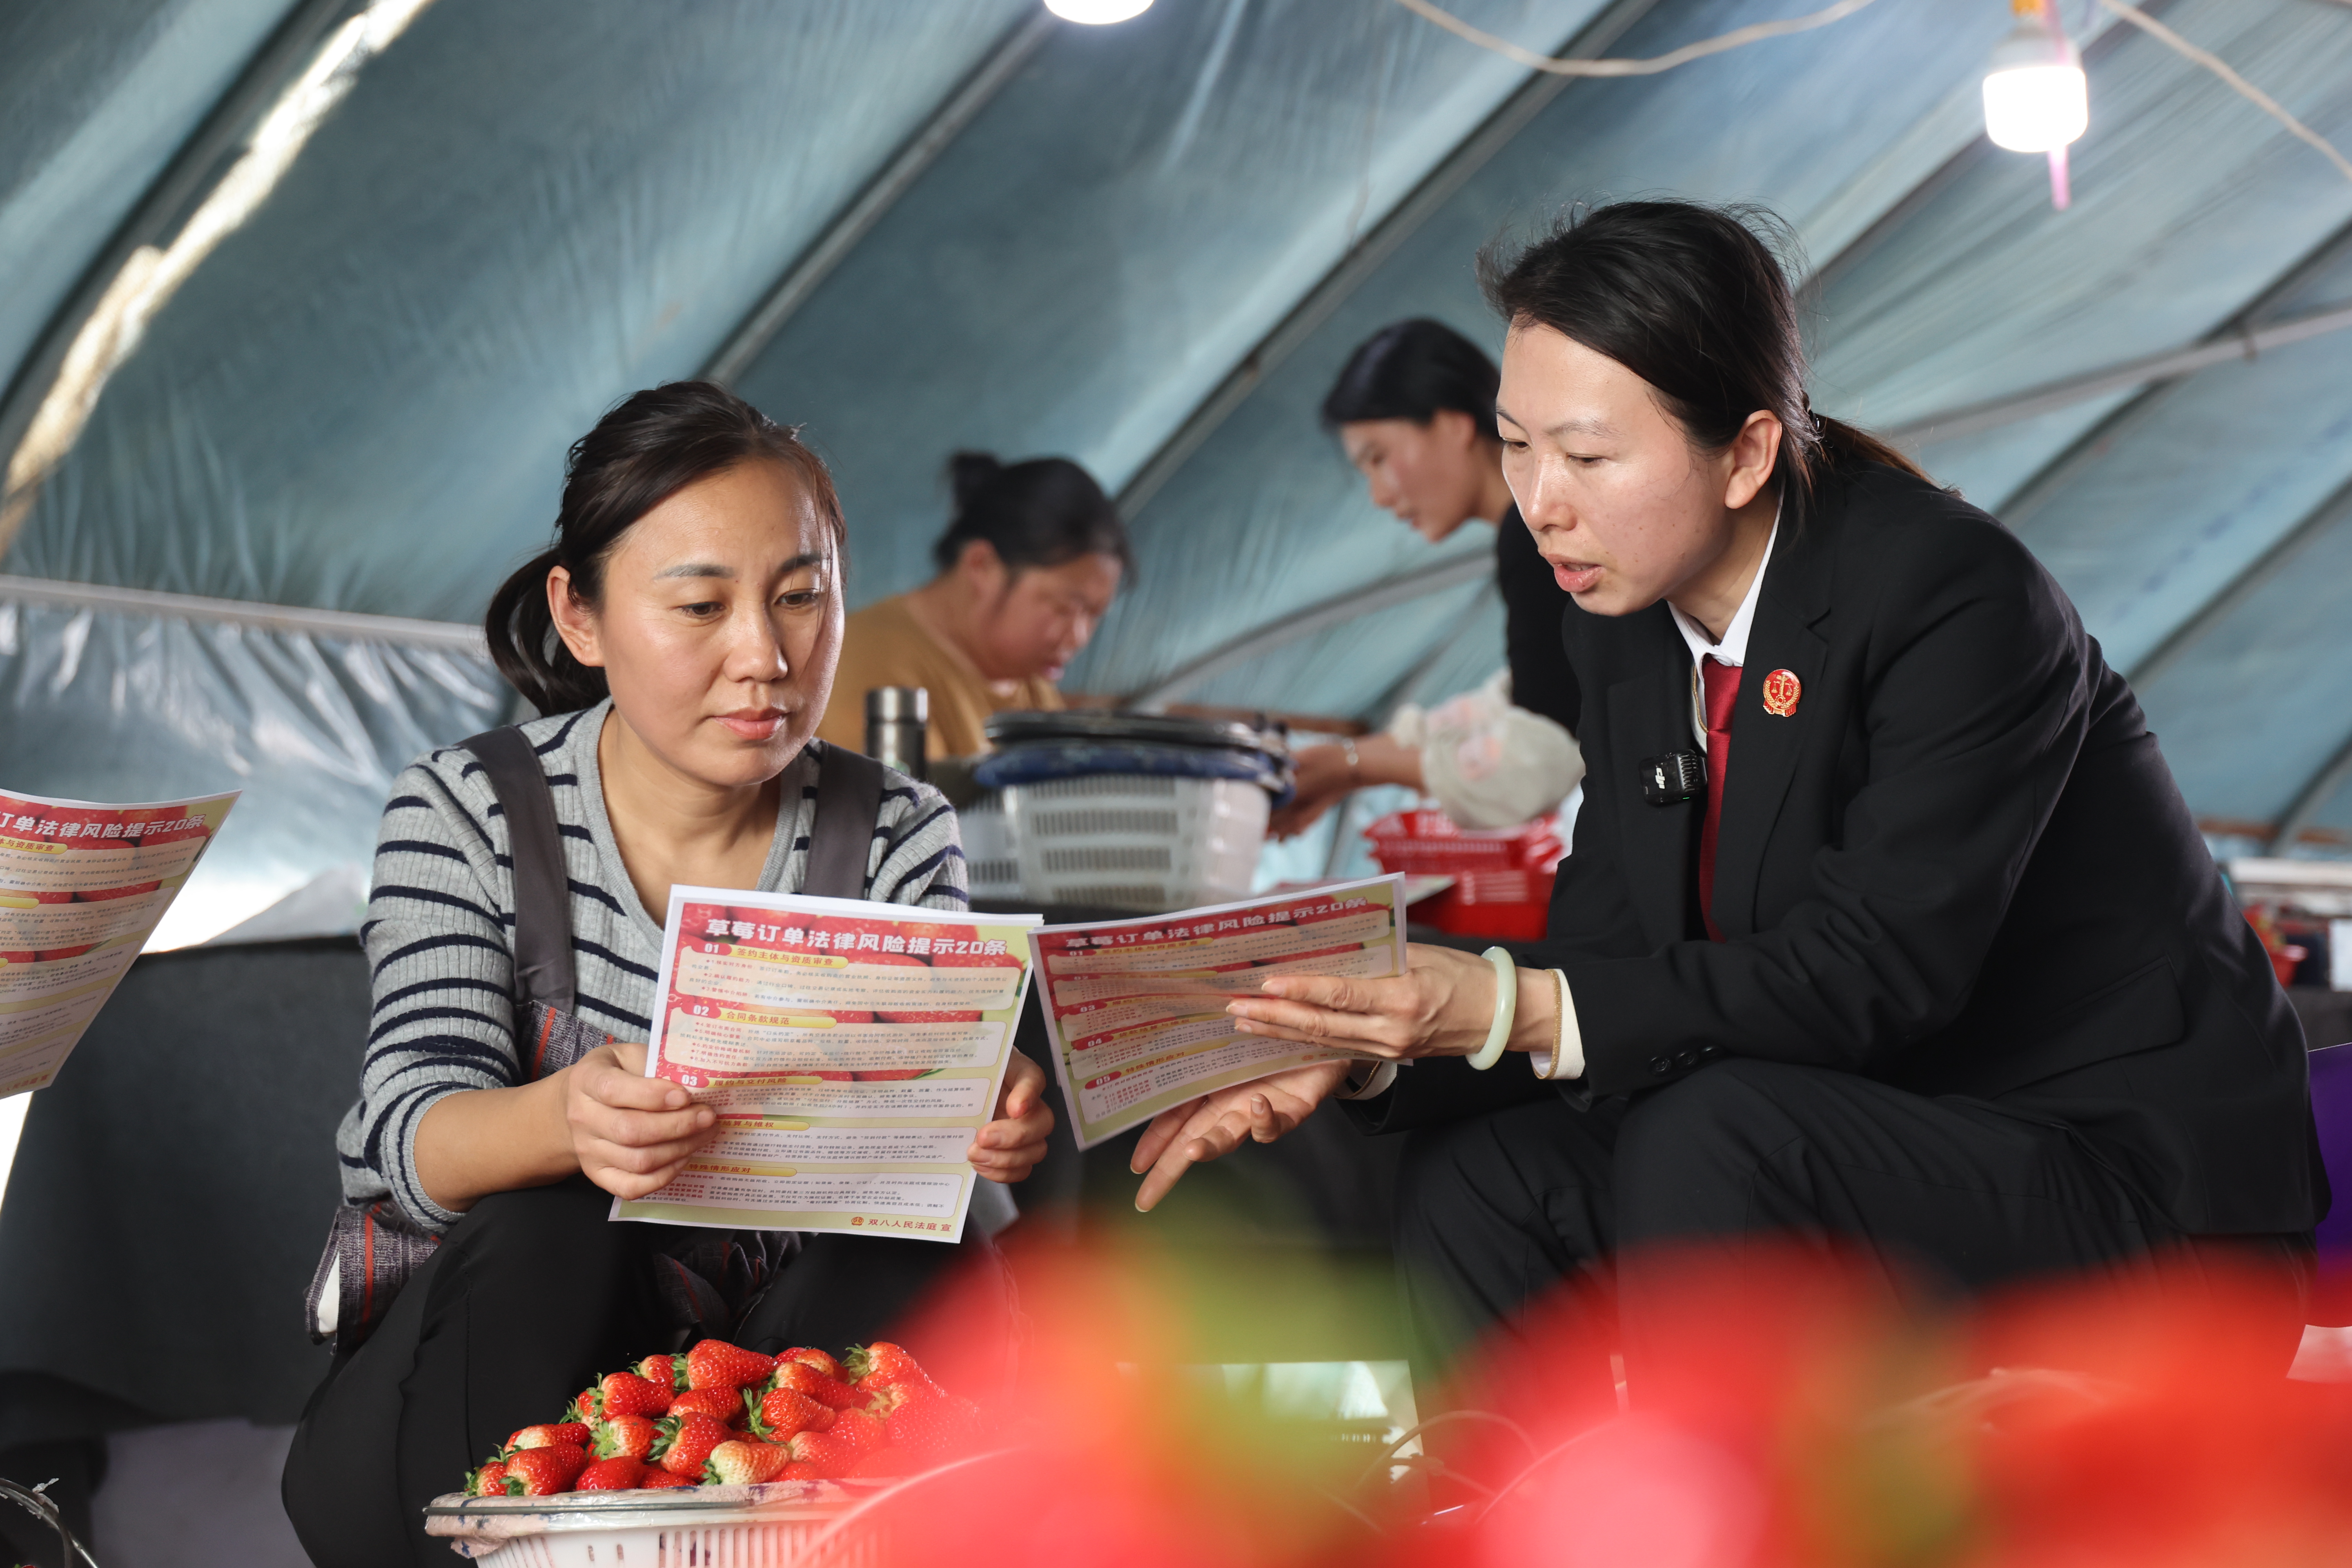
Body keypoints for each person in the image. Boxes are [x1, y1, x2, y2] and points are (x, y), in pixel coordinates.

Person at [1127, 201, 2326, 1394]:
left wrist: (1497, 1000)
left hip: (2129, 1196)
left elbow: (1874, 970)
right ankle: (1498, 1521)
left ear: (1746, 451)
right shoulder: (1619, 629)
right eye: (1516, 443)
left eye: (1589, 456)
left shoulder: (1948, 595)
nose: (1543, 500)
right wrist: (1360, 1049)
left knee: (1711, 1124)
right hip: (1854, 1139)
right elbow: (1605, 949)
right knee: (1486, 1170)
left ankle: (1696, 1520)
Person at [282, 383, 1055, 1565]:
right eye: (701, 603)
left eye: (802, 597)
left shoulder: (896, 828)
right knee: (554, 1221)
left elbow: (924, 1146)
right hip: (479, 1396)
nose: (765, 655)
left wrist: (973, 1106)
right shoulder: (465, 808)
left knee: (933, 1242)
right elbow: (405, 1134)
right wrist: (567, 1119)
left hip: (759, 1401)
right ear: (580, 617)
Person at [1272, 319, 1583, 837]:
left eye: (1378, 458)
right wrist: (1340, 764)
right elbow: (1534, 697)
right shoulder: (1533, 527)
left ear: (1454, 424)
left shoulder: (1534, 535)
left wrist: (1350, 766)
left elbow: (1536, 760)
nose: (1378, 495)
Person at [815, 452, 1128, 763]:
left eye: (1094, 615)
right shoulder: (869, 667)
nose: (1078, 637)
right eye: (1063, 608)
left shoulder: (1027, 679)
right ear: (982, 566)